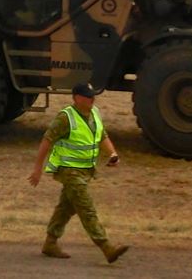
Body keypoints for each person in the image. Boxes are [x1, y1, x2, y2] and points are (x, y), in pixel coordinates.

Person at [30, 82, 130, 264]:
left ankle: (50, 243)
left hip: (85, 171)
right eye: (87, 96)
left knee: (65, 208)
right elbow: (47, 140)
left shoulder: (95, 113)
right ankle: (107, 247)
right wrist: (37, 169)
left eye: (93, 95)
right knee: (86, 209)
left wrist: (113, 154)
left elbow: (102, 136)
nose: (92, 98)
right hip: (69, 171)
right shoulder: (65, 118)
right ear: (76, 98)